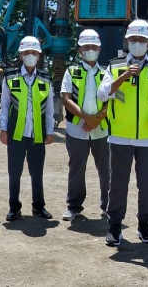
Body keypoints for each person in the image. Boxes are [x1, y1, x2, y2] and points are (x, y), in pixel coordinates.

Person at [97, 19, 148, 247]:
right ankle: (114, 228)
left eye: (141, 40)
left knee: (146, 186)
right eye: (133, 40)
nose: (137, 44)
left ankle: (145, 227)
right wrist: (122, 78)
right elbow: (103, 95)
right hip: (120, 136)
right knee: (118, 185)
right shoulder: (114, 66)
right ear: (127, 42)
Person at [0, 36, 56, 222]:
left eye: (33, 52)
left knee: (37, 172)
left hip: (37, 135)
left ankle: (38, 206)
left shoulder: (46, 79)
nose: (30, 55)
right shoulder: (10, 76)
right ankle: (14, 207)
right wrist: (3, 129)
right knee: (14, 172)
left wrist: (50, 131)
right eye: (27, 53)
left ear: (39, 56)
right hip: (16, 133)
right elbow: (4, 105)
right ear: (21, 55)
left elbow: (49, 109)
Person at [60, 29, 109, 221]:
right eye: (86, 47)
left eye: (93, 47)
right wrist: (86, 118)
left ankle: (108, 206)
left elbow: (112, 101)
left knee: (106, 169)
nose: (90, 50)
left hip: (102, 129)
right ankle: (74, 206)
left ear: (99, 49)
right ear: (79, 50)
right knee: (76, 168)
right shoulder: (72, 71)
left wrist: (96, 118)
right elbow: (66, 98)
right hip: (76, 129)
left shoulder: (107, 72)